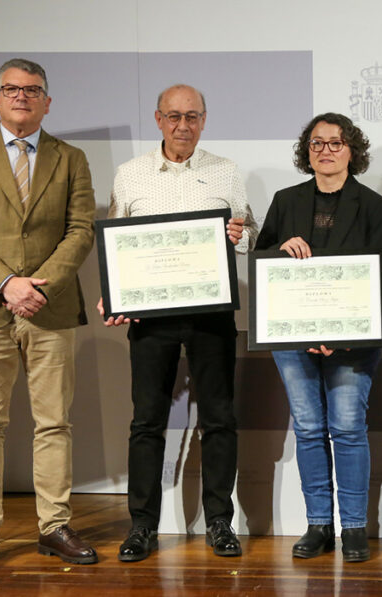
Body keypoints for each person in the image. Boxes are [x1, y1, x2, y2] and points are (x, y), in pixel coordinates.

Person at [0, 58, 97, 577]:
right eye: (11, 89)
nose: (22, 97)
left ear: (47, 100)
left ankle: (54, 526)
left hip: (49, 309)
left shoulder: (71, 158)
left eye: (32, 90)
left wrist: (36, 288)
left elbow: (81, 230)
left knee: (54, 423)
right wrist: (9, 284)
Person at [100, 84, 257, 561]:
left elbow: (250, 232)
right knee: (146, 422)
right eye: (173, 116)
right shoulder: (130, 176)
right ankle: (142, 527)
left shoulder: (226, 172)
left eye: (192, 116)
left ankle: (219, 523)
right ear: (157, 119)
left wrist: (238, 232)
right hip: (150, 318)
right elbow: (115, 242)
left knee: (220, 420)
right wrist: (113, 294)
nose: (183, 125)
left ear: (204, 120)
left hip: (212, 315)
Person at [255, 112, 382, 563]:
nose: (326, 150)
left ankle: (353, 527)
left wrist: (341, 334)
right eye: (317, 143)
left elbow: (378, 275)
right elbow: (263, 261)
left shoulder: (373, 205)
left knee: (348, 428)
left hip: (352, 341)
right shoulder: (285, 199)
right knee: (310, 430)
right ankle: (318, 524)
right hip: (292, 338)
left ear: (352, 150)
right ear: (306, 151)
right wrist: (278, 250)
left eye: (336, 143)